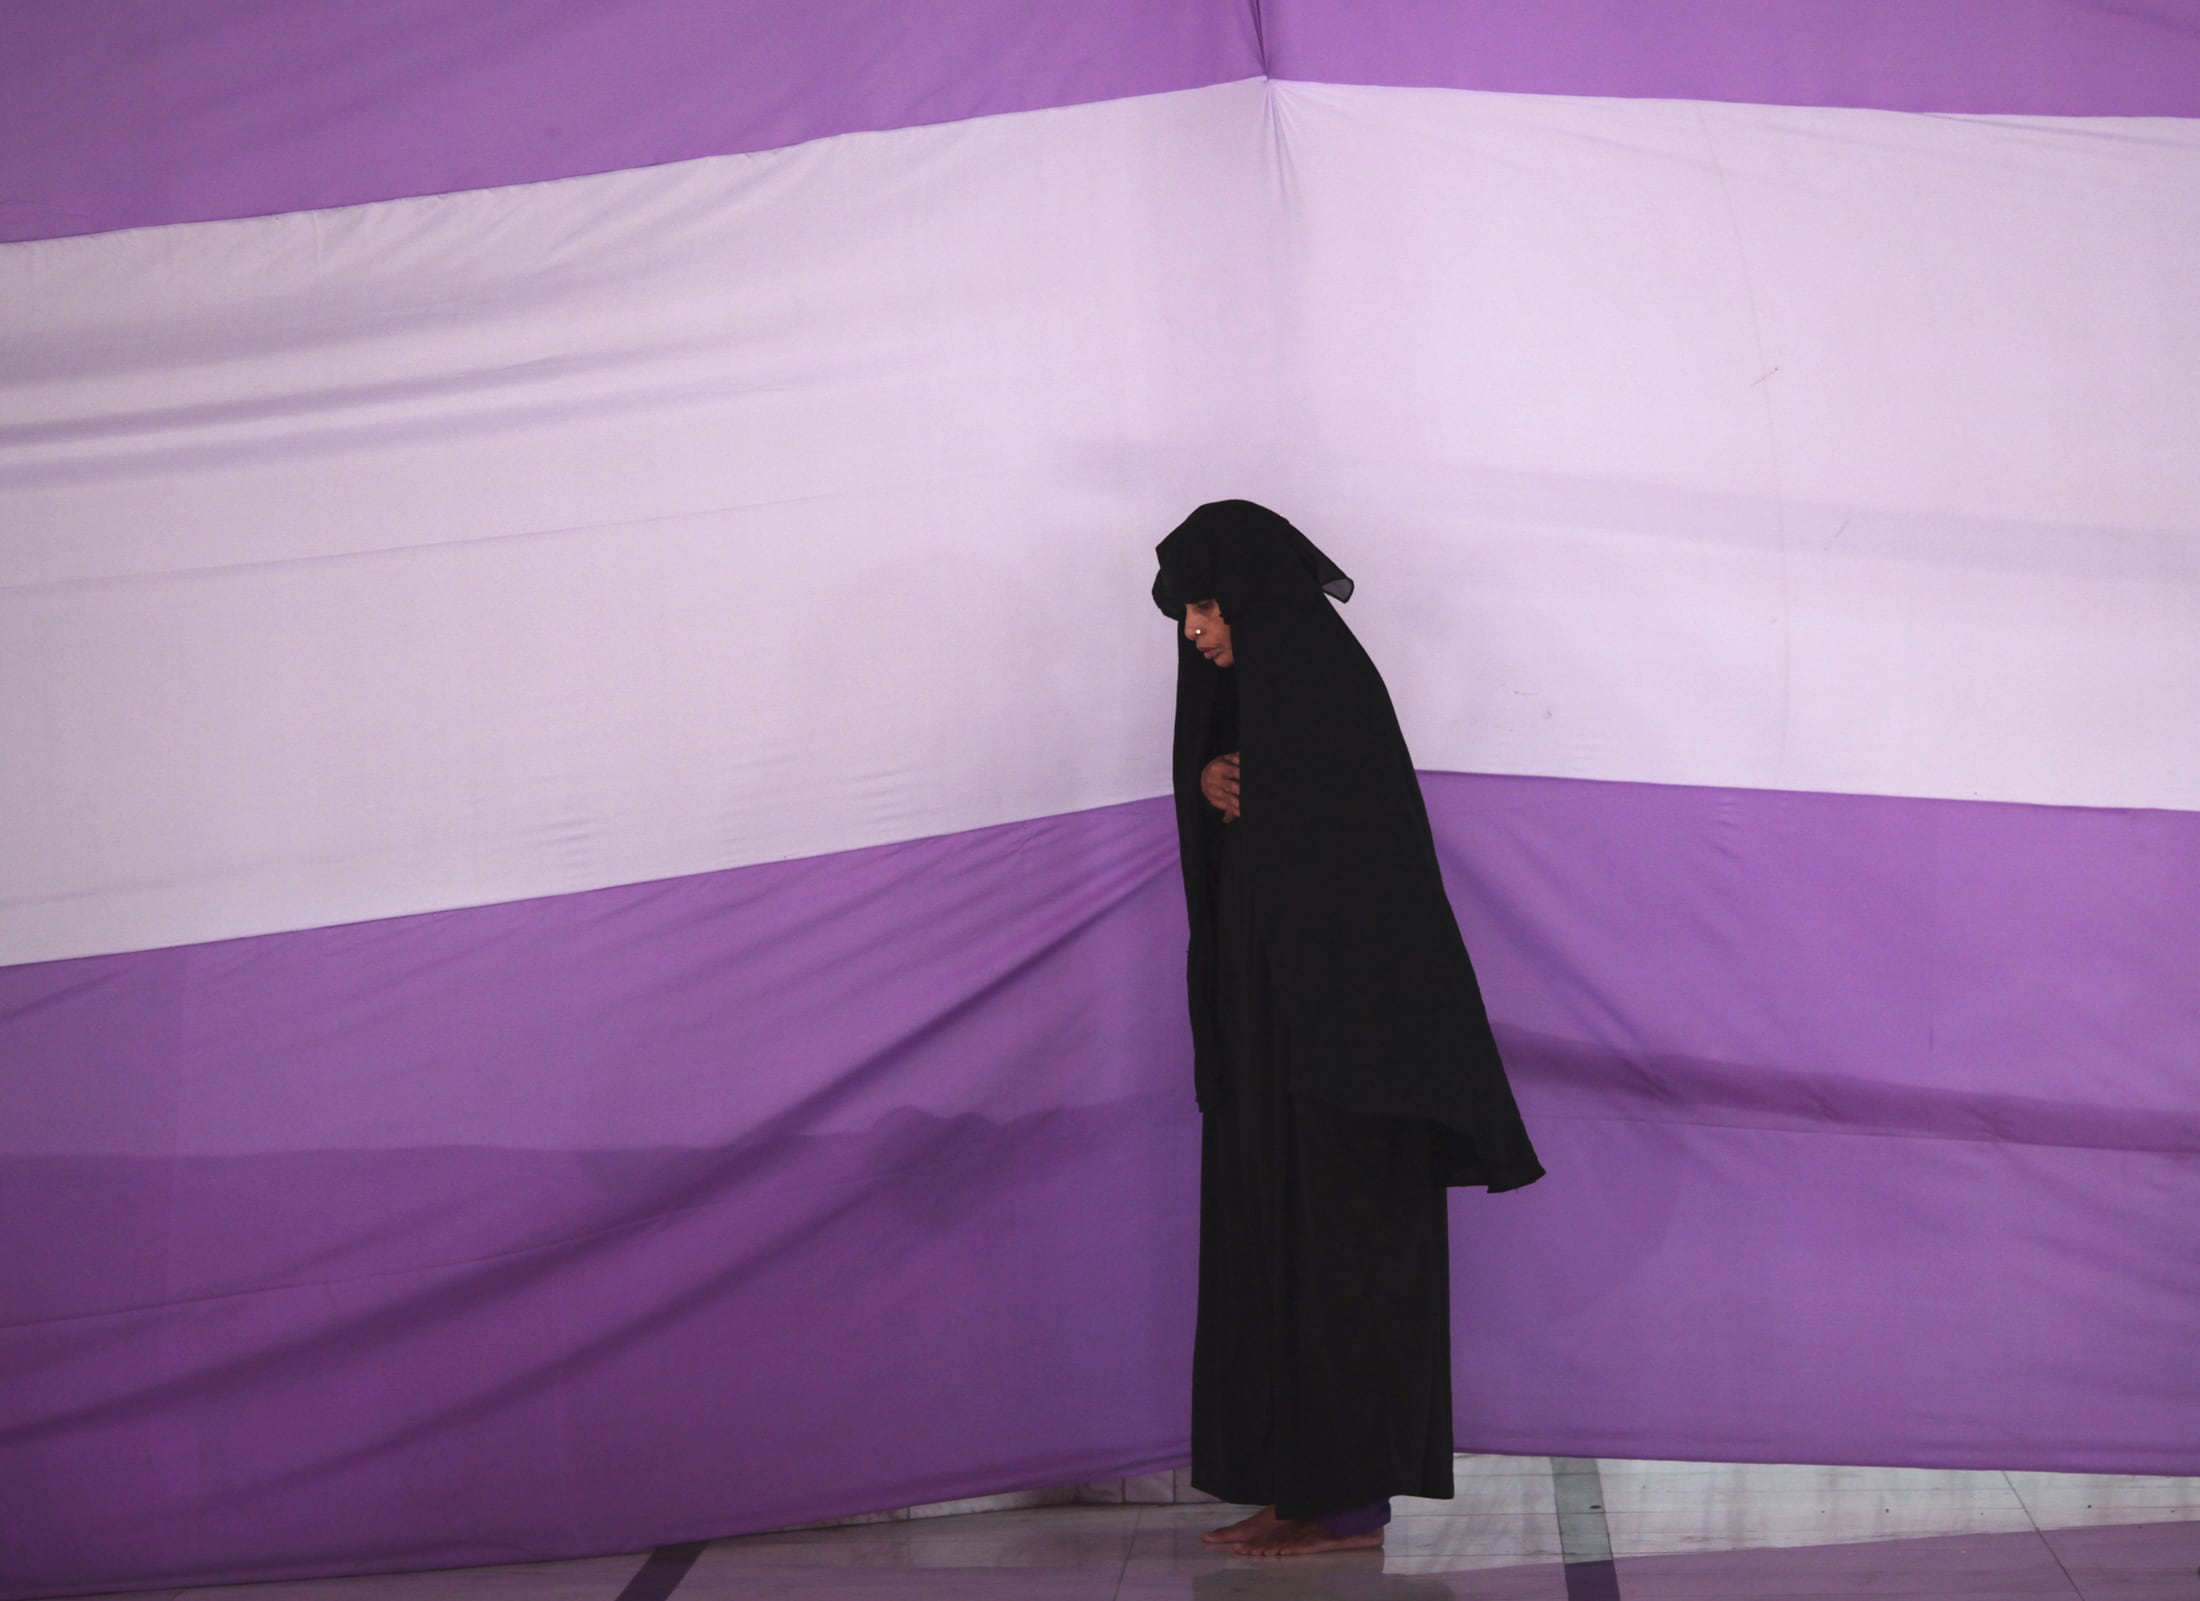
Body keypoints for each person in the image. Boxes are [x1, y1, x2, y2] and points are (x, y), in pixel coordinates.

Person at [1150, 499, 1545, 1558]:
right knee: (1272, 1246)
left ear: (1251, 595)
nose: (1192, 630)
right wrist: (1206, 780)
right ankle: (1296, 1482)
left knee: (1342, 1255)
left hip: (1345, 1052)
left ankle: (1349, 1500)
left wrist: (1265, 798)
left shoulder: (1328, 691)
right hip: (1267, 1033)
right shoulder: (1253, 707)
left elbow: (1360, 865)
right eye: (1184, 611)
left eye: (1201, 604)